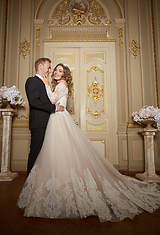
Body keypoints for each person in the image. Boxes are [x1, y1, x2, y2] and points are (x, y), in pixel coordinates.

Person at [18, 63, 160, 223]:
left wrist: (45, 85)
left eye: (59, 71)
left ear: (65, 75)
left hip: (59, 120)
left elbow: (51, 99)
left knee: (63, 151)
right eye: (55, 70)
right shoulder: (57, 84)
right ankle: (59, 187)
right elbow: (51, 100)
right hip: (55, 119)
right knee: (59, 153)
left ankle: (69, 186)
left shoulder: (61, 84)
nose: (56, 72)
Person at [25, 58, 64, 176]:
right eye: (48, 67)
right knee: (36, 154)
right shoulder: (32, 81)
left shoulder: (45, 83)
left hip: (49, 123)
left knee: (45, 155)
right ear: (40, 66)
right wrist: (54, 108)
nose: (49, 70)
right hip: (39, 124)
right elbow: (34, 101)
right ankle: (30, 184)